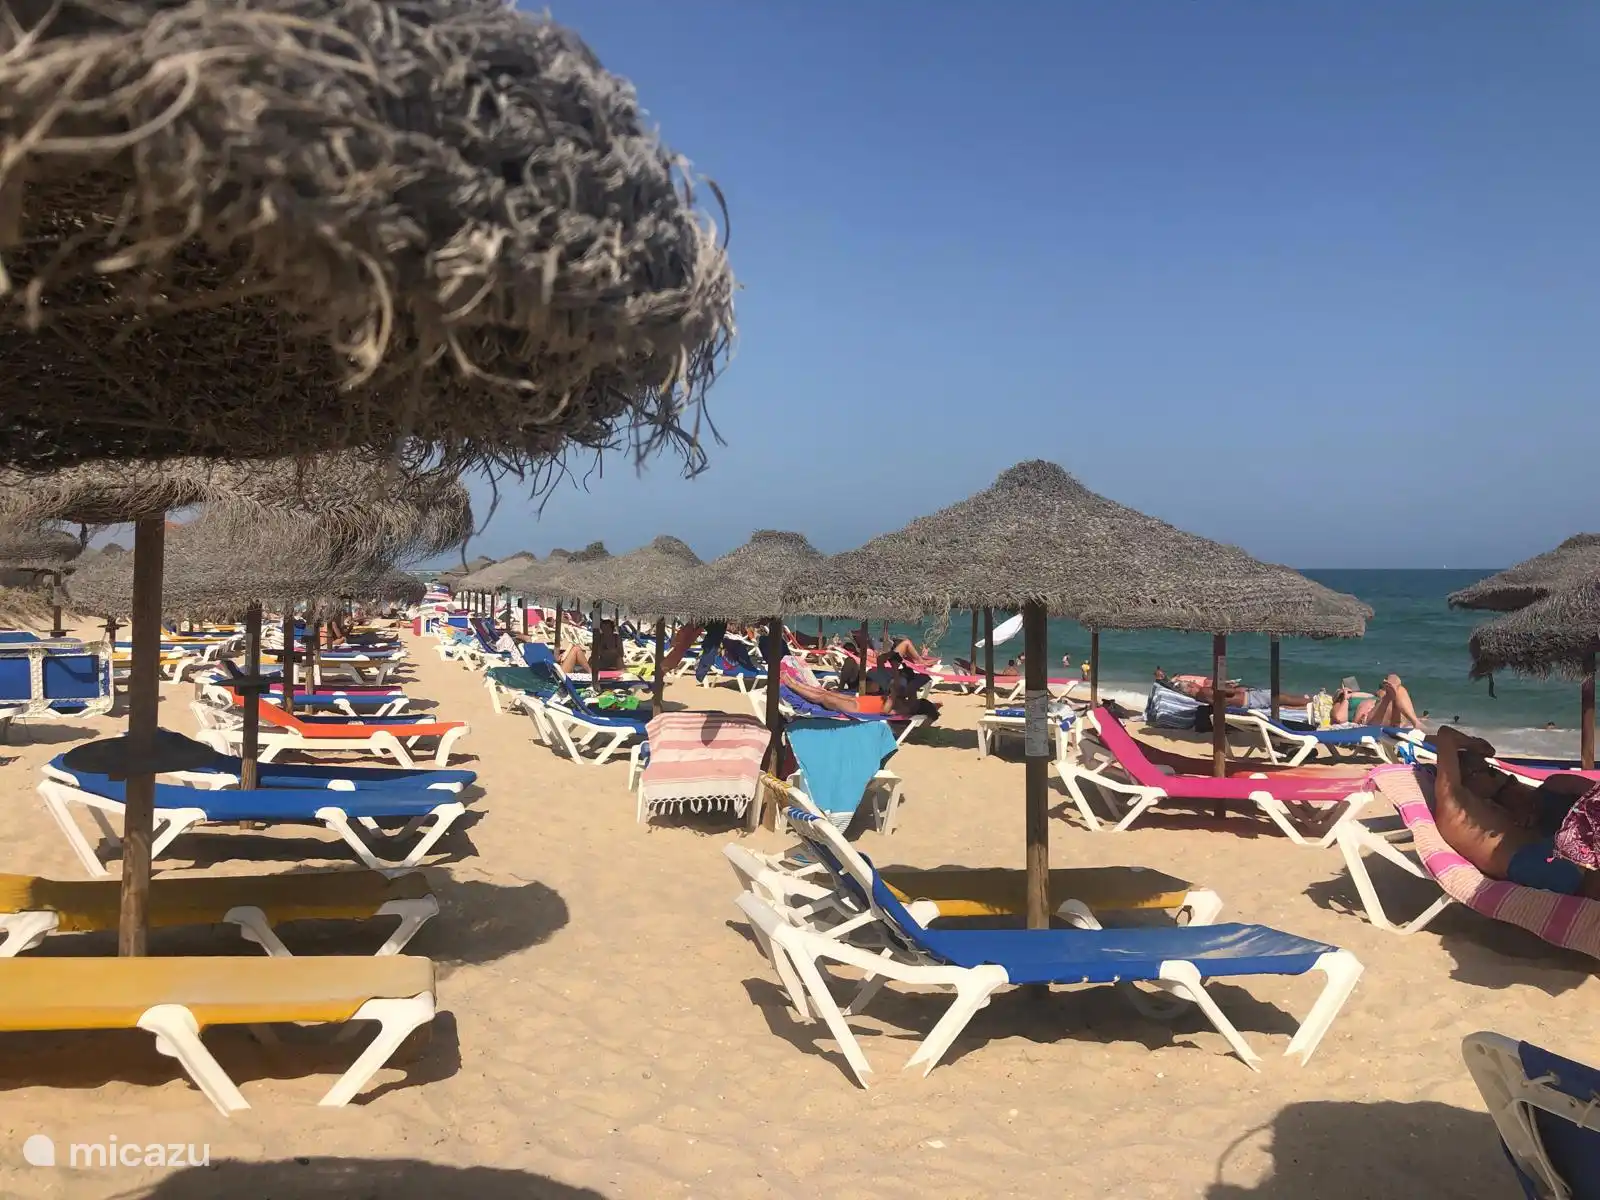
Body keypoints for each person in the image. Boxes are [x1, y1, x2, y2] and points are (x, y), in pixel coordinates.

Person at [1431, 726, 1600, 897]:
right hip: (1532, 861)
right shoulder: (1453, 806)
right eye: (1488, 771)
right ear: (1465, 775)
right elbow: (1445, 735)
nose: (1496, 773)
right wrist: (1475, 744)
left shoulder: (1480, 808)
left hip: (1541, 851)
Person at [1332, 674, 1423, 729]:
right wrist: (1345, 698)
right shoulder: (1341, 699)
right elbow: (1340, 719)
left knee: (1396, 685)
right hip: (1369, 722)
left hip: (1390, 715)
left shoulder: (1369, 696)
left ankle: (1416, 722)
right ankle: (1389, 695)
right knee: (1393, 695)